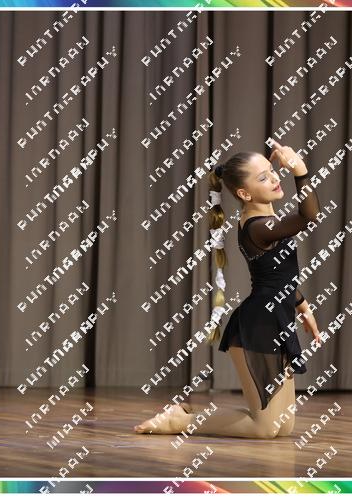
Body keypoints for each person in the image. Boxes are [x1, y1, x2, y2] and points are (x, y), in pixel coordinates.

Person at [134, 139, 322, 438]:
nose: (275, 178)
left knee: (283, 428)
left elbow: (276, 278)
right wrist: (299, 170)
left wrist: (303, 307)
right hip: (259, 325)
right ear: (244, 193)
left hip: (277, 319)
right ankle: (179, 422)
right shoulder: (257, 226)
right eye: (263, 177)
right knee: (264, 429)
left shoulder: (267, 221)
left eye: (273, 171)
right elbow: (309, 216)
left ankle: (185, 416)